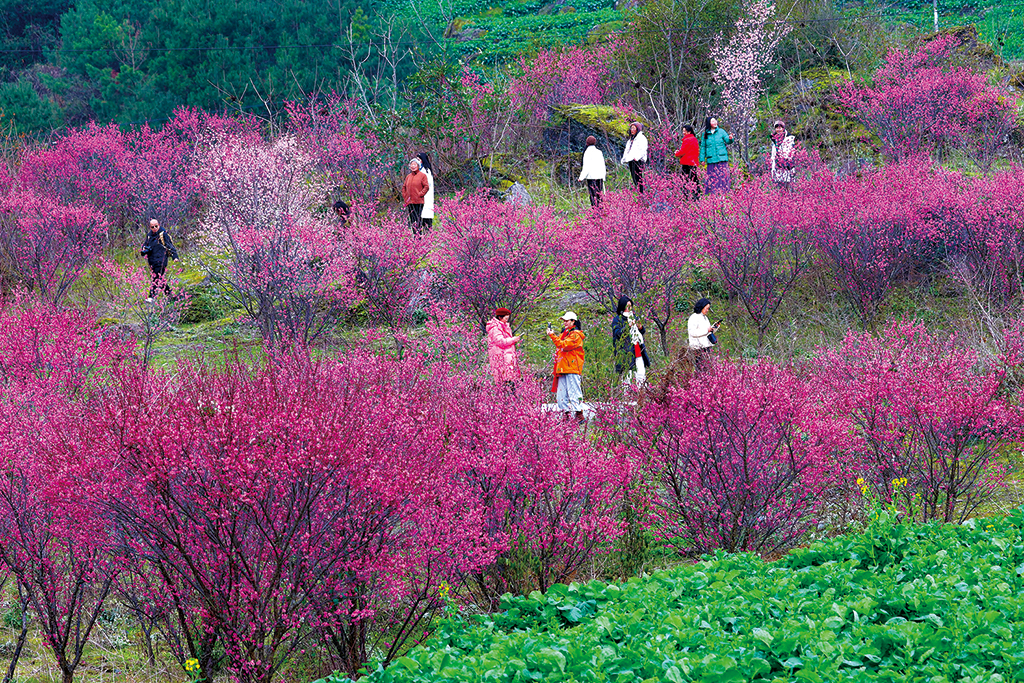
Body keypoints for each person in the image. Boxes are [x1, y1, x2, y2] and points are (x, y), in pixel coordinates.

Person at [548, 311, 586, 423]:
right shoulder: (566, 333)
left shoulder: (575, 335)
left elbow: (563, 345)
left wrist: (552, 335)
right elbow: (560, 344)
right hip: (563, 367)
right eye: (564, 320)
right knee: (561, 393)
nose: (564, 322)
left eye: (566, 320)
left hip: (572, 367)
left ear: (573, 321)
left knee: (574, 391)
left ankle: (579, 415)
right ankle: (566, 415)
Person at [612, 296, 652, 388]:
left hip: (638, 349)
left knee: (641, 374)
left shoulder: (634, 317)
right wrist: (628, 326)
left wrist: (640, 327)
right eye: (627, 306)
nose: (629, 309)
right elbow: (617, 334)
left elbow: (641, 332)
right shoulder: (618, 319)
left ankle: (641, 397)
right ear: (622, 307)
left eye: (630, 306)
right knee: (627, 377)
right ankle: (627, 398)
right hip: (626, 352)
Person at [140, 218, 179, 302]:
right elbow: (145, 245)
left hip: (161, 259)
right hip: (152, 261)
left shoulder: (163, 235)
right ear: (150, 227)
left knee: (156, 278)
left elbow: (170, 246)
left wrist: (175, 257)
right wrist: (143, 250)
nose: (154, 228)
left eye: (156, 226)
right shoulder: (149, 236)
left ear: (159, 225)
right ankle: (171, 296)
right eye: (152, 227)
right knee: (159, 279)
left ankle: (152, 296)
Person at [486, 307, 521, 391]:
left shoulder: (504, 327)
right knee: (506, 385)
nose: (507, 320)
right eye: (506, 318)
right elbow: (501, 342)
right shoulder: (495, 328)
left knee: (511, 383)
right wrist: (513, 340)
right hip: (501, 359)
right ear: (500, 317)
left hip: (507, 359)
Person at [699, 117, 732, 195]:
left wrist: (730, 139)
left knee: (723, 177)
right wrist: (702, 159)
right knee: (712, 178)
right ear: (709, 123)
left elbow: (727, 140)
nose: (715, 122)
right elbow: (703, 147)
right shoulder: (705, 134)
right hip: (711, 159)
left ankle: (724, 195)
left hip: (721, 158)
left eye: (715, 120)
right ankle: (713, 196)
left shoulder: (721, 132)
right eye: (712, 121)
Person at [687, 298, 720, 373]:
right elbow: (692, 333)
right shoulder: (694, 317)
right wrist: (706, 330)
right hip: (698, 347)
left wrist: (715, 328)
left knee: (707, 368)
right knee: (700, 369)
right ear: (702, 307)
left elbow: (708, 332)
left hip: (706, 346)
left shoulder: (705, 318)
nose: (707, 310)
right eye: (706, 308)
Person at [673, 125, 701, 201]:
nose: (683, 132)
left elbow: (682, 152)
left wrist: (676, 153)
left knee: (684, 180)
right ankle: (697, 196)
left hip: (686, 163)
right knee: (694, 180)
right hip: (693, 163)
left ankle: (685, 196)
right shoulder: (694, 139)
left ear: (689, 132)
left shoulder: (687, 140)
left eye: (684, 131)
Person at [402, 157, 429, 234]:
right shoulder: (408, 176)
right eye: (411, 164)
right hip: (409, 201)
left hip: (418, 201)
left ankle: (419, 236)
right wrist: (405, 196)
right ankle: (415, 236)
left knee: (418, 219)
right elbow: (404, 187)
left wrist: (420, 194)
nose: (413, 166)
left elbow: (426, 187)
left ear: (418, 165)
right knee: (412, 220)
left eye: (415, 164)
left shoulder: (422, 175)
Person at [578, 136, 606, 207]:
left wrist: (581, 177)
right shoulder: (599, 152)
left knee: (593, 195)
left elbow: (586, 167)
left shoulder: (587, 153)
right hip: (599, 176)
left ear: (587, 143)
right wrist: (603, 176)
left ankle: (595, 213)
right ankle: (601, 211)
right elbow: (603, 165)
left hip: (591, 177)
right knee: (599, 194)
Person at [620, 121, 648, 193]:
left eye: (633, 128)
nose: (632, 130)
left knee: (639, 178)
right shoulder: (631, 139)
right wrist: (624, 158)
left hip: (638, 161)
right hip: (631, 160)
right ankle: (639, 194)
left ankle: (641, 194)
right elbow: (627, 149)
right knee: (634, 178)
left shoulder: (641, 138)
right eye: (631, 128)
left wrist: (637, 158)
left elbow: (643, 149)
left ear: (637, 129)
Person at [770, 120, 796, 188]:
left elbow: (790, 154)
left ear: (783, 128)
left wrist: (782, 161)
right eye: (777, 128)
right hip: (777, 168)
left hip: (786, 167)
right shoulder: (774, 140)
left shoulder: (789, 139)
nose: (778, 130)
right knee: (779, 188)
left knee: (787, 187)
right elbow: (773, 155)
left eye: (780, 128)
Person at [417, 152, 435, 230]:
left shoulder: (426, 171)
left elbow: (427, 184)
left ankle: (428, 233)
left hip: (426, 196)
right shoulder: (419, 170)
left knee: (426, 216)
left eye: (419, 159)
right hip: (420, 197)